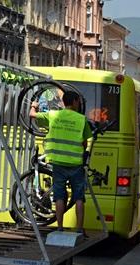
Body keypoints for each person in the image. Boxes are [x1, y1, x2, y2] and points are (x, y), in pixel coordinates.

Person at [30, 90, 92, 237]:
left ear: (63, 102)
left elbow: (32, 115)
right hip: (76, 163)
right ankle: (79, 228)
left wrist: (34, 106)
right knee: (78, 197)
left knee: (59, 196)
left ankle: (59, 227)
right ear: (75, 102)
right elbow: (85, 141)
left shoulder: (53, 115)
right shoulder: (81, 119)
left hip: (58, 163)